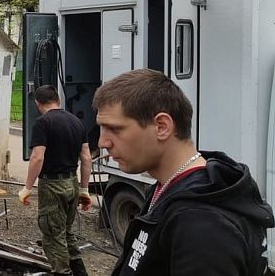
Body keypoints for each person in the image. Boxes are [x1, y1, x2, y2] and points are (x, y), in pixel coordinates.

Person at [94, 69, 274, 276]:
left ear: (162, 126)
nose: (103, 142)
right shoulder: (169, 187)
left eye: (115, 129)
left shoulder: (202, 225)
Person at [19, 85, 92, 276]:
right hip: (72, 183)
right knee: (66, 232)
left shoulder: (43, 122)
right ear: (58, 100)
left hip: (52, 186)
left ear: (37, 103)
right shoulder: (76, 121)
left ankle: (62, 272)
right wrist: (84, 189)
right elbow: (86, 157)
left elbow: (37, 157)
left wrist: (27, 187)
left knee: (53, 235)